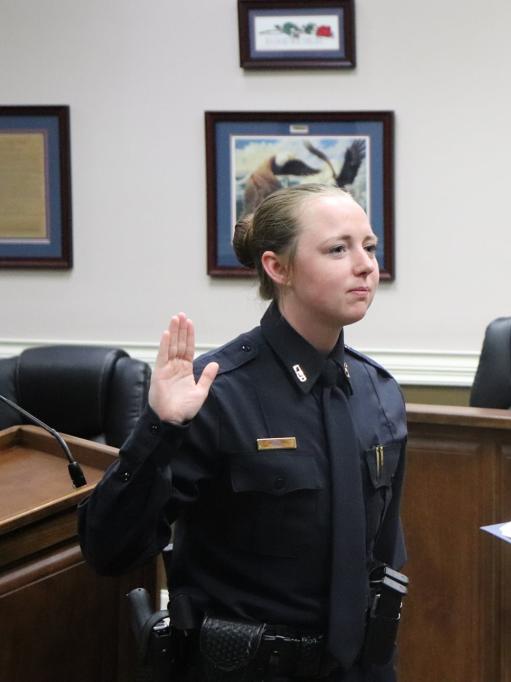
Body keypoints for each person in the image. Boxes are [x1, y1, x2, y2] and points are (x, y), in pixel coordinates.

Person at [78, 183, 407, 681]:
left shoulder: (378, 392)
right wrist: (159, 428)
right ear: (279, 268)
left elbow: (384, 560)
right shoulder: (215, 392)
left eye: (369, 246)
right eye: (338, 249)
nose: (364, 265)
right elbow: (110, 549)